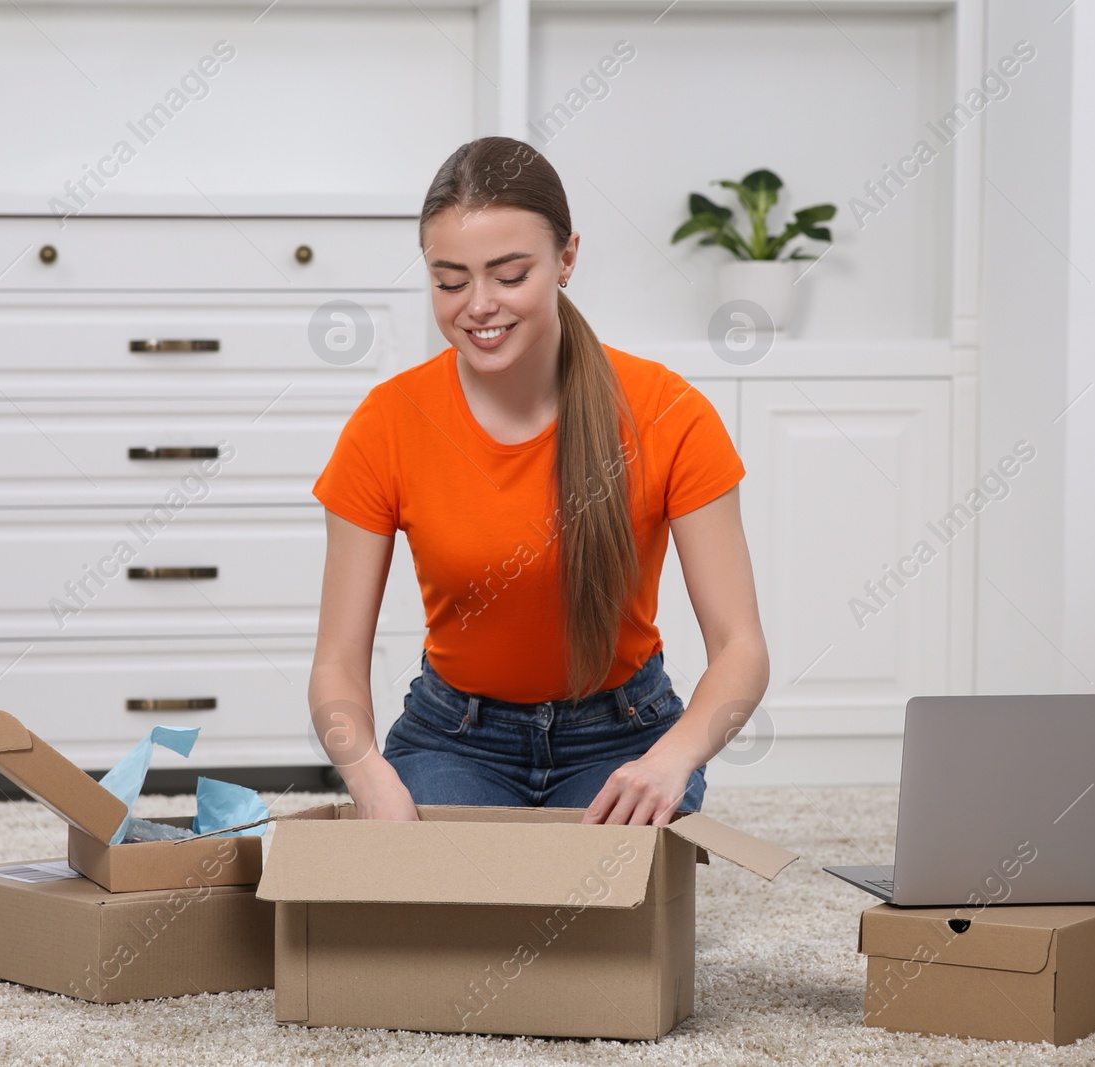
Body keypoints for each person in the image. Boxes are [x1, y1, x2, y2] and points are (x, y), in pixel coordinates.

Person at [307, 136, 768, 827]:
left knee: (589, 910)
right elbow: (337, 660)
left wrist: (672, 760)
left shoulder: (670, 413)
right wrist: (368, 774)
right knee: (448, 917)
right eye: (450, 280)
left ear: (567, 259)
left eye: (510, 275)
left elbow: (742, 650)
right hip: (454, 738)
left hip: (625, 732)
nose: (478, 306)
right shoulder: (387, 423)